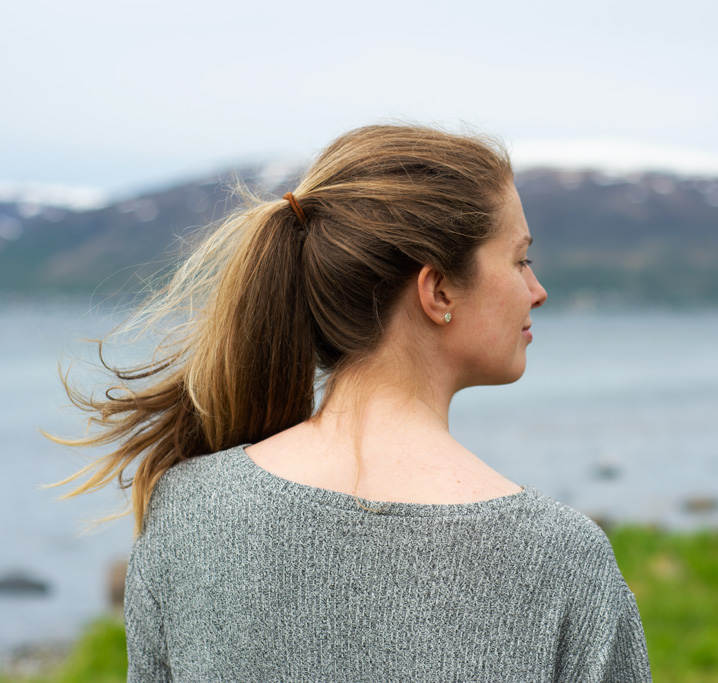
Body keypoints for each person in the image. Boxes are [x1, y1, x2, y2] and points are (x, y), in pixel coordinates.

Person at [55, 124, 651, 681]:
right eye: (520, 259)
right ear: (437, 288)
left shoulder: (188, 509)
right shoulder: (561, 560)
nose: (537, 291)